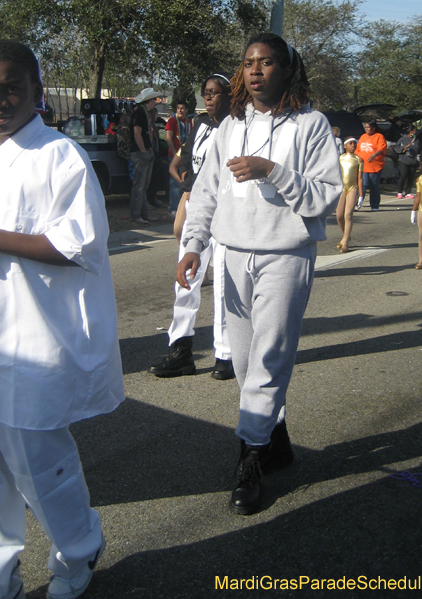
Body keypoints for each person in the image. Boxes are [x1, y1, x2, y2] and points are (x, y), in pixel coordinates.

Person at [0, 41, 124, 599]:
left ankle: (79, 549)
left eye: (11, 86)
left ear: (38, 92)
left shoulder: (59, 154)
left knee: (39, 466)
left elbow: (80, 243)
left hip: (34, 335)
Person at [177, 32, 342, 515]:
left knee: (268, 357)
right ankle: (278, 439)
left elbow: (325, 194)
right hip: (233, 253)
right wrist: (193, 245)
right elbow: (206, 191)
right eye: (248, 62)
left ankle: (249, 458)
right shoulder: (230, 125)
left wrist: (273, 169)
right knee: (245, 361)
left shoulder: (311, 124)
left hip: (285, 255)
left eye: (267, 63)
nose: (255, 71)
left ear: (287, 70)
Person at [150, 73, 234, 380]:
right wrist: (188, 187)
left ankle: (226, 353)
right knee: (186, 279)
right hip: (198, 208)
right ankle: (181, 348)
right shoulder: (200, 125)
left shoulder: (238, 127)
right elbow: (186, 159)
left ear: (230, 95)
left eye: (216, 93)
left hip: (226, 211)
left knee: (225, 284)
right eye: (206, 93)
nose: (210, 98)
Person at [129, 87, 161, 223]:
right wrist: (143, 151)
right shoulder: (140, 114)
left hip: (148, 150)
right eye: (154, 99)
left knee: (144, 186)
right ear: (150, 100)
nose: (155, 102)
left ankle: (144, 214)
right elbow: (137, 134)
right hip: (140, 153)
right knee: (139, 185)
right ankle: (136, 215)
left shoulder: (146, 114)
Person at [336, 137, 364, 252]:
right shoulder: (340, 158)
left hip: (353, 188)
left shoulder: (358, 159)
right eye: (350, 143)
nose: (353, 145)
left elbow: (360, 178)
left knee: (348, 214)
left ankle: (345, 241)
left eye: (354, 143)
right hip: (342, 188)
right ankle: (345, 235)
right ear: (345, 146)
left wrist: (361, 195)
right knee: (339, 215)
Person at [165, 100, 192, 213]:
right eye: (178, 108)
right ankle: (173, 208)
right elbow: (168, 138)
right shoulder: (172, 121)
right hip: (175, 155)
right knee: (174, 183)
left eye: (182, 108)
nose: (180, 110)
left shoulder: (189, 122)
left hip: (185, 156)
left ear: (186, 110)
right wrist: (174, 153)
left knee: (184, 181)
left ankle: (182, 208)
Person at [355, 120, 387, 211]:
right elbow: (358, 149)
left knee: (374, 185)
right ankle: (357, 203)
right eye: (366, 127)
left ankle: (374, 205)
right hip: (363, 166)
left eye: (368, 127)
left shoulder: (379, 136)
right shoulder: (363, 136)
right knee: (363, 184)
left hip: (375, 166)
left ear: (373, 128)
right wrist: (358, 157)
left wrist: (374, 155)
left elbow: (382, 148)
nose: (366, 129)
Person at [394, 125, 419, 199]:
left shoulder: (416, 140)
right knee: (403, 175)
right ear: (410, 131)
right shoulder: (403, 139)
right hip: (403, 160)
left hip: (413, 160)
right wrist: (403, 148)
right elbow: (396, 148)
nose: (415, 132)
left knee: (411, 176)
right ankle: (399, 191)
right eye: (414, 130)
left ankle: (408, 192)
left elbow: (418, 149)